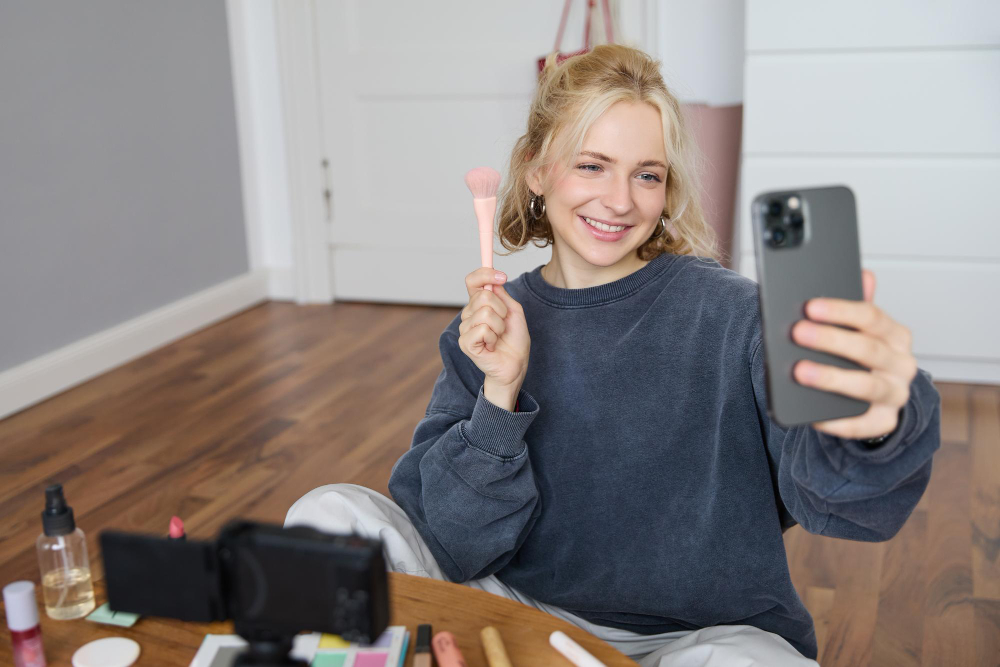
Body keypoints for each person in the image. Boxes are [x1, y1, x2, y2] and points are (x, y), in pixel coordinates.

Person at [286, 44, 941, 666]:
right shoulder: (491, 329)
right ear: (539, 170)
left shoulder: (736, 313)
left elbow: (839, 503)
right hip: (516, 611)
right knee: (326, 515)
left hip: (701, 636)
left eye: (646, 174)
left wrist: (875, 422)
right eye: (592, 165)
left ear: (666, 189)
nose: (621, 199)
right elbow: (454, 540)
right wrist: (499, 393)